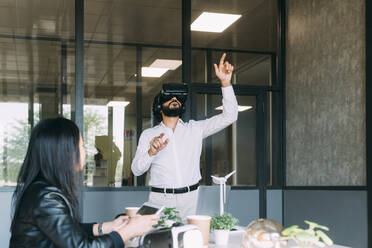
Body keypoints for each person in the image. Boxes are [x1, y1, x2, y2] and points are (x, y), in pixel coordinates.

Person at [10, 117, 159, 248]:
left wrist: (107, 227)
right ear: (65, 151)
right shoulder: (46, 198)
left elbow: (67, 230)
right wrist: (128, 232)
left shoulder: (41, 190)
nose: (84, 152)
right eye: (81, 145)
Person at [131, 53, 238, 218]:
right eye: (169, 97)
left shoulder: (195, 129)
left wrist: (225, 83)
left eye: (178, 98)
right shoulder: (149, 135)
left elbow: (229, 116)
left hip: (192, 200)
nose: (175, 99)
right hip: (160, 200)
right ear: (159, 106)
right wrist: (151, 152)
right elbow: (136, 170)